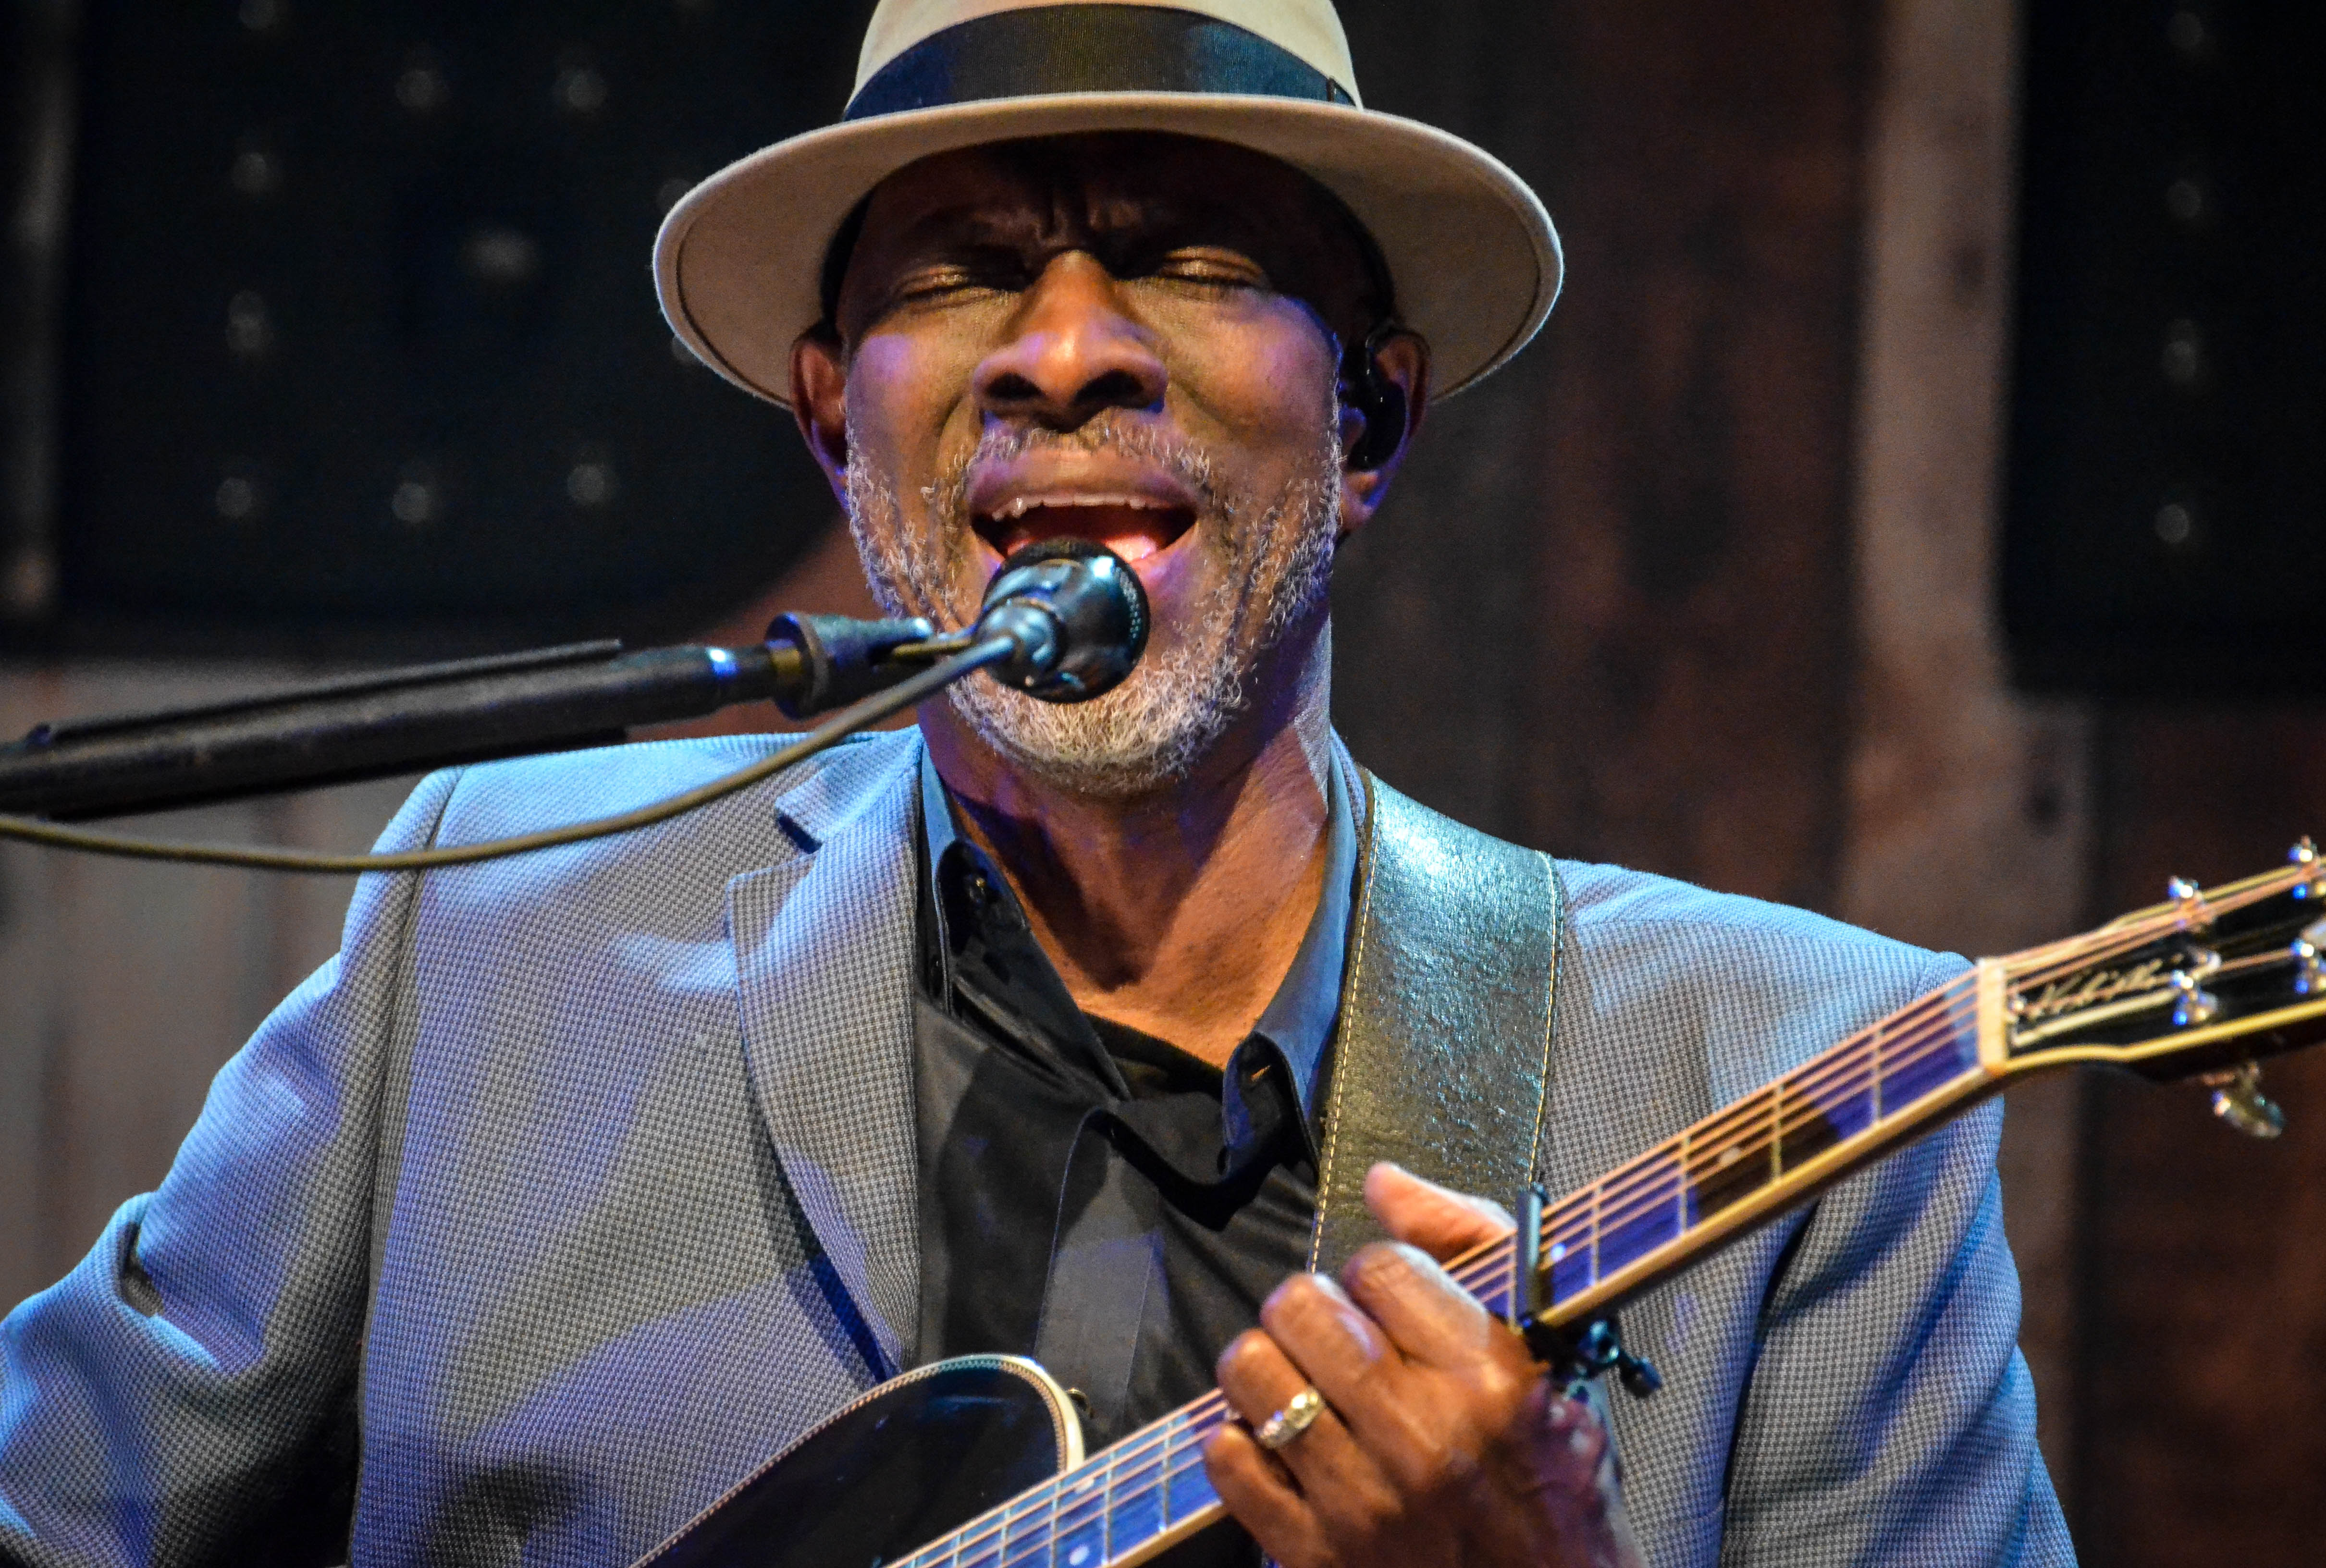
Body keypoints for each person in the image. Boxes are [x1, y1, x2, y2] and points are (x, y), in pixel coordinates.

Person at [0, 1, 2071, 1564]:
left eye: (1181, 255)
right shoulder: (493, 922)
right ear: (833, 417)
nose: (1061, 348)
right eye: (958, 269)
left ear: (1367, 418)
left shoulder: (1810, 1084)